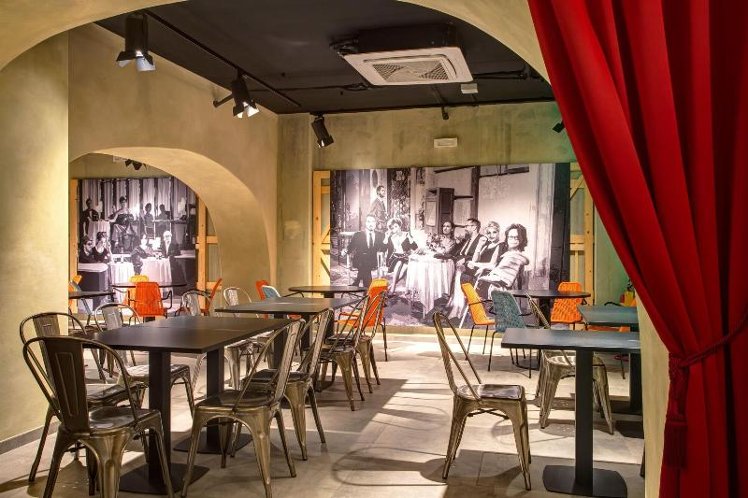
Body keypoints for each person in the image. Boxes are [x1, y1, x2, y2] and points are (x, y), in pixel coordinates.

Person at [477, 223, 530, 294]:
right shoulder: (507, 254)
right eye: (510, 237)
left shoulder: (517, 257)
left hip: (507, 293)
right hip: (496, 290)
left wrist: (483, 278)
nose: (513, 240)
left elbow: (503, 279)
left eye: (517, 238)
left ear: (522, 239)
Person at [341, 214, 385, 287]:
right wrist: (345, 251)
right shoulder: (358, 235)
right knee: (365, 265)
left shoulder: (380, 235)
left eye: (373, 221)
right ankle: (366, 287)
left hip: (373, 260)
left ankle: (358, 282)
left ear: (375, 223)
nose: (371, 224)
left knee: (366, 265)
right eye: (368, 221)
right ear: (365, 223)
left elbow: (383, 249)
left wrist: (386, 241)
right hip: (360, 260)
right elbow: (351, 246)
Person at [384, 217, 418, 294]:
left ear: (400, 226)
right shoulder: (392, 237)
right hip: (396, 258)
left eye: (396, 226)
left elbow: (415, 247)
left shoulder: (406, 234)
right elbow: (388, 249)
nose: (395, 229)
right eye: (393, 228)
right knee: (399, 263)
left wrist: (410, 238)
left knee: (403, 271)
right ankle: (392, 288)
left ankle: (391, 286)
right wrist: (386, 237)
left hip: (406, 257)